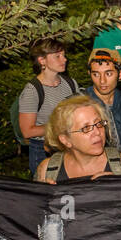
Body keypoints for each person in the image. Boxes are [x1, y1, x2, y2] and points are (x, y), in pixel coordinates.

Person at [34, 95, 121, 183]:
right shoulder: (48, 170)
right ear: (65, 140)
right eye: (86, 128)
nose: (97, 132)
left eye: (99, 123)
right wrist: (44, 199)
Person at [18, 37, 80, 177]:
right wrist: (60, 126)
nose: (64, 59)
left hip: (70, 145)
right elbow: (27, 131)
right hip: (42, 150)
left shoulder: (70, 83)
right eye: (58, 56)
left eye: (64, 55)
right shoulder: (32, 90)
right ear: (42, 60)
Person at [85, 48, 121, 154]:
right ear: (89, 73)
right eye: (96, 74)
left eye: (108, 74)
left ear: (120, 74)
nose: (102, 81)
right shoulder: (79, 105)